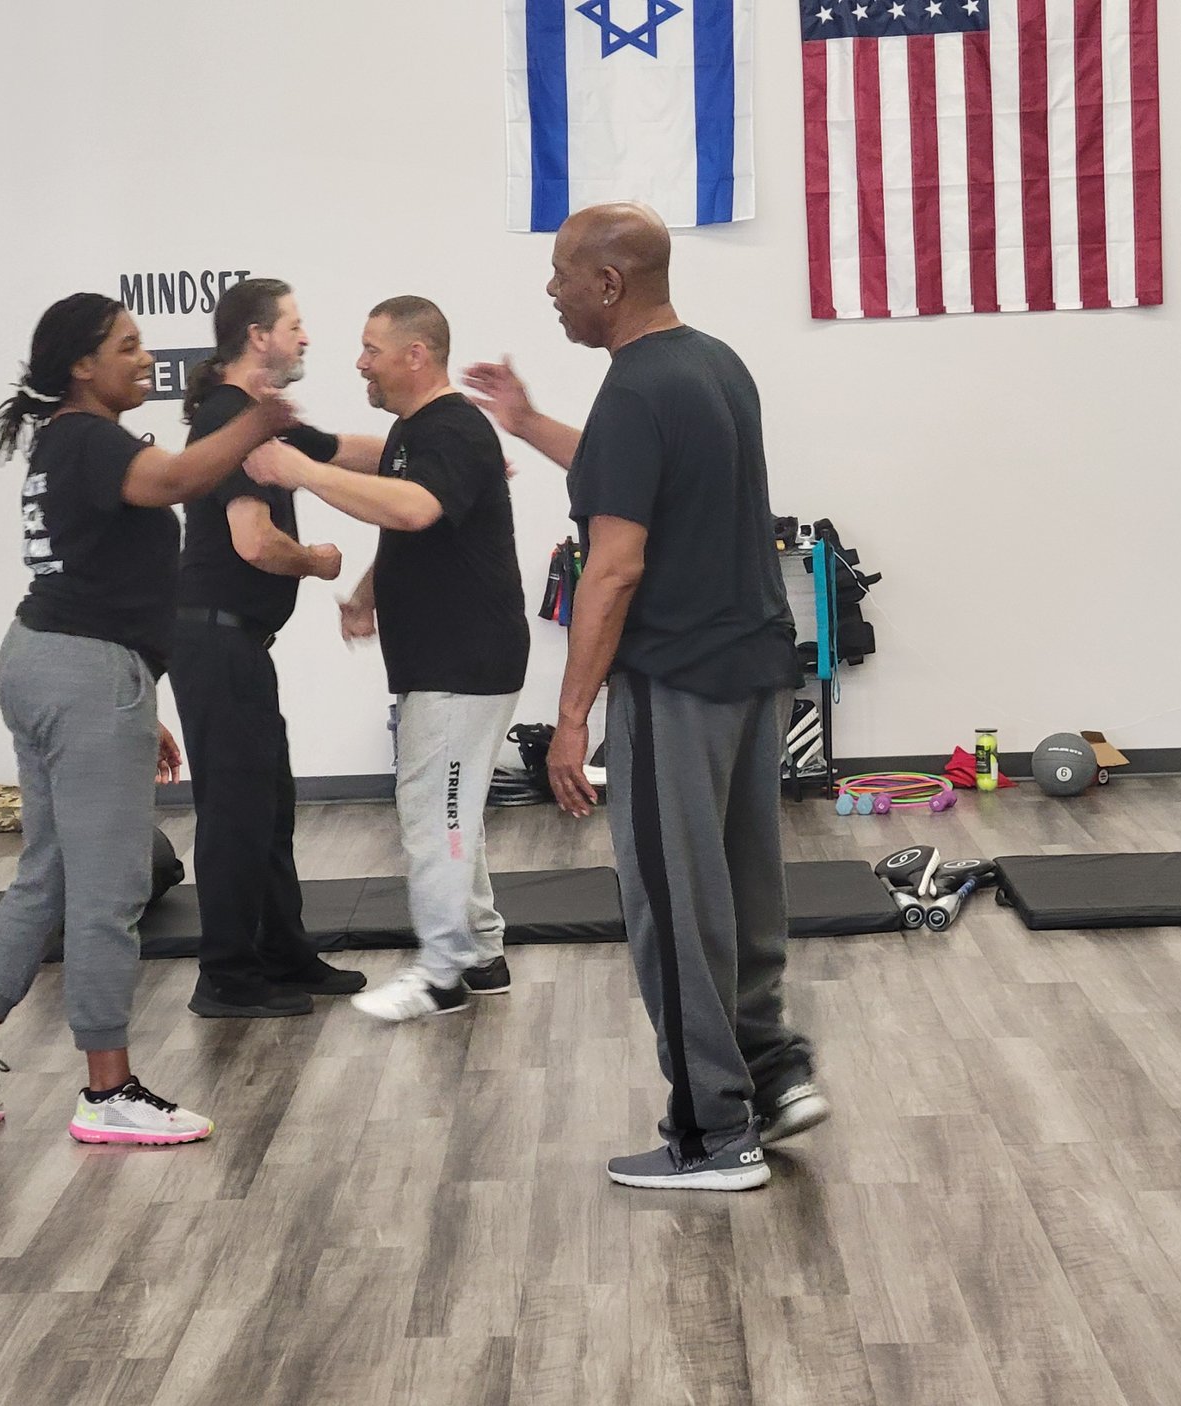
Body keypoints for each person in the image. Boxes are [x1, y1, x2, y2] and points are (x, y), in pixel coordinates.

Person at [460, 204, 828, 1191]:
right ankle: (771, 1071)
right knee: (743, 890)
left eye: (561, 273)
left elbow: (612, 569)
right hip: (756, 671)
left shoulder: (634, 389)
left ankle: (713, 1133)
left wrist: (571, 717)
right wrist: (526, 418)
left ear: (608, 284)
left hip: (679, 682)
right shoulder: (711, 364)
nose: (551, 289)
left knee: (672, 905)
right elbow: (630, 472)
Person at [0, 291, 296, 1146]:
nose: (142, 358)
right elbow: (181, 478)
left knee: (45, 874)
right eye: (127, 346)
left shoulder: (63, 443)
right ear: (82, 364)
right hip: (82, 671)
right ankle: (107, 1089)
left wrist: (131, 700)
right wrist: (258, 418)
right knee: (109, 890)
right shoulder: (91, 439)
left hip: (54, 663)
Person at [245, 296, 530, 1021]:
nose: (359, 361)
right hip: (450, 659)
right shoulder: (419, 431)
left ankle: (441, 973)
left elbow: (412, 509)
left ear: (416, 355)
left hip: (461, 663)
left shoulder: (454, 428)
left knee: (433, 813)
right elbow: (409, 520)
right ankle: (482, 949)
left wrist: (296, 470)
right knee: (453, 805)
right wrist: (369, 591)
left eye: (371, 348)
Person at [173, 279, 380, 1019]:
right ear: (257, 336)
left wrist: (451, 446)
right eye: (295, 325)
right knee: (236, 813)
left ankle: (282, 955)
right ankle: (226, 978)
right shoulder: (231, 419)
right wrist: (319, 561)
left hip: (236, 645)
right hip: (213, 642)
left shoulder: (260, 421)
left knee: (269, 806)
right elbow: (254, 543)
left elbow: (350, 451)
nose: (306, 338)